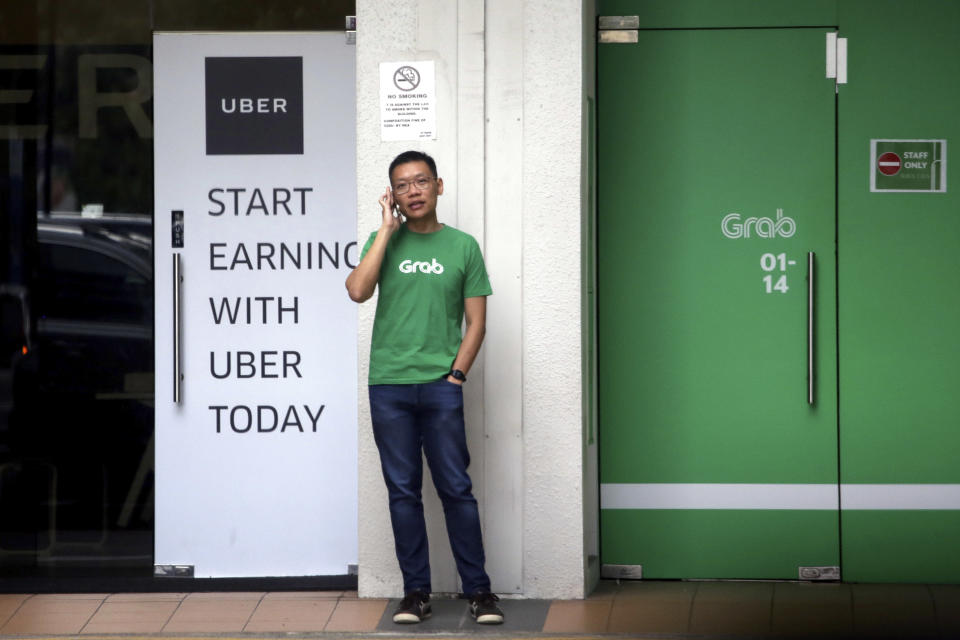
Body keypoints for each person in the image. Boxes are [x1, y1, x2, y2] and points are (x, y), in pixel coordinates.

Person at [345, 150, 503, 625]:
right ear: (391, 195)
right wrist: (386, 232)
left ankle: (479, 592)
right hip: (389, 386)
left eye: (420, 182)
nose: (412, 191)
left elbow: (476, 322)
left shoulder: (463, 246)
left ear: (438, 185)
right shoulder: (383, 240)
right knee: (402, 492)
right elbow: (356, 290)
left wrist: (455, 376)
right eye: (401, 185)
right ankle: (415, 593)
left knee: (456, 488)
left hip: (439, 387)